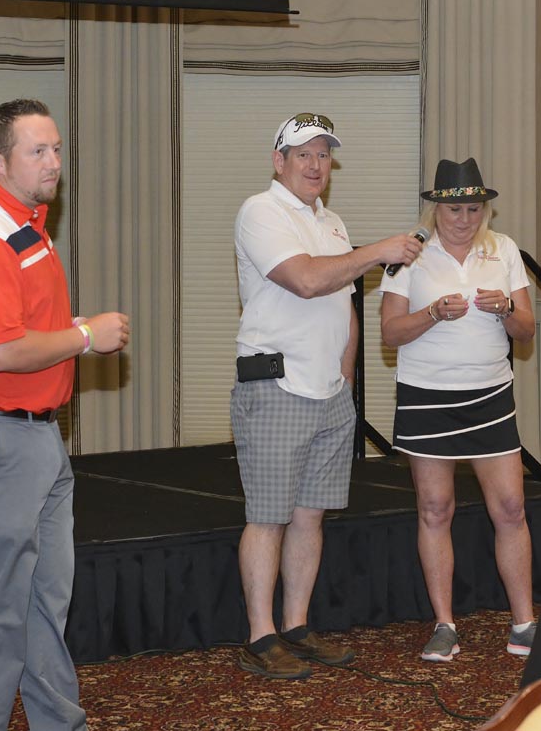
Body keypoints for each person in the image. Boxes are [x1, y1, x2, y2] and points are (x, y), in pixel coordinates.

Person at [0, 98, 130, 731]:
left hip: (34, 436)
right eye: (37, 151)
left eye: (56, 149)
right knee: (1, 606)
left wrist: (70, 329)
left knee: (45, 601)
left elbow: (19, 329)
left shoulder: (23, 223)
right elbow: (4, 351)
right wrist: (85, 336)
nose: (53, 162)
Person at [231, 112, 423, 679]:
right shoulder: (260, 211)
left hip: (329, 393)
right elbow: (308, 279)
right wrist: (378, 250)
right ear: (279, 161)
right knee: (268, 517)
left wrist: (345, 378)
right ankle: (260, 636)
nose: (316, 165)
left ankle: (295, 627)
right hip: (276, 385)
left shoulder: (331, 221)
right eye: (304, 154)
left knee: (310, 516)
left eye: (323, 154)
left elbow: (343, 302)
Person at [378, 157, 537, 662]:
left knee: (510, 508)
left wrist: (506, 309)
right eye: (454, 210)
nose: (464, 219)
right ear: (435, 210)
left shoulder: (503, 249)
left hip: (490, 395)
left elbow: (527, 330)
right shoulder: (407, 255)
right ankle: (444, 624)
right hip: (427, 397)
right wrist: (431, 313)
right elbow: (390, 333)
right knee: (435, 509)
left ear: (484, 210)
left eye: (473, 209)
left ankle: (524, 623)